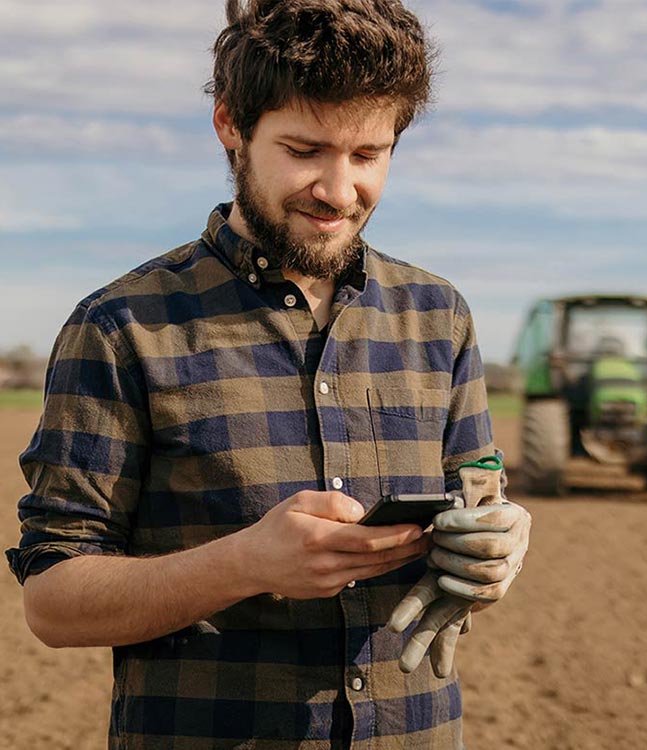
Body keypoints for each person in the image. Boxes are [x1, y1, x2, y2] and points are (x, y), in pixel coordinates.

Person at [6, 1, 531, 748]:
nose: (339, 191)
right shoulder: (122, 327)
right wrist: (245, 563)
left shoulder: (438, 316)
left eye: (367, 155)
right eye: (305, 149)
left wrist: (493, 548)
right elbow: (54, 603)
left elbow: (475, 500)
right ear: (231, 126)